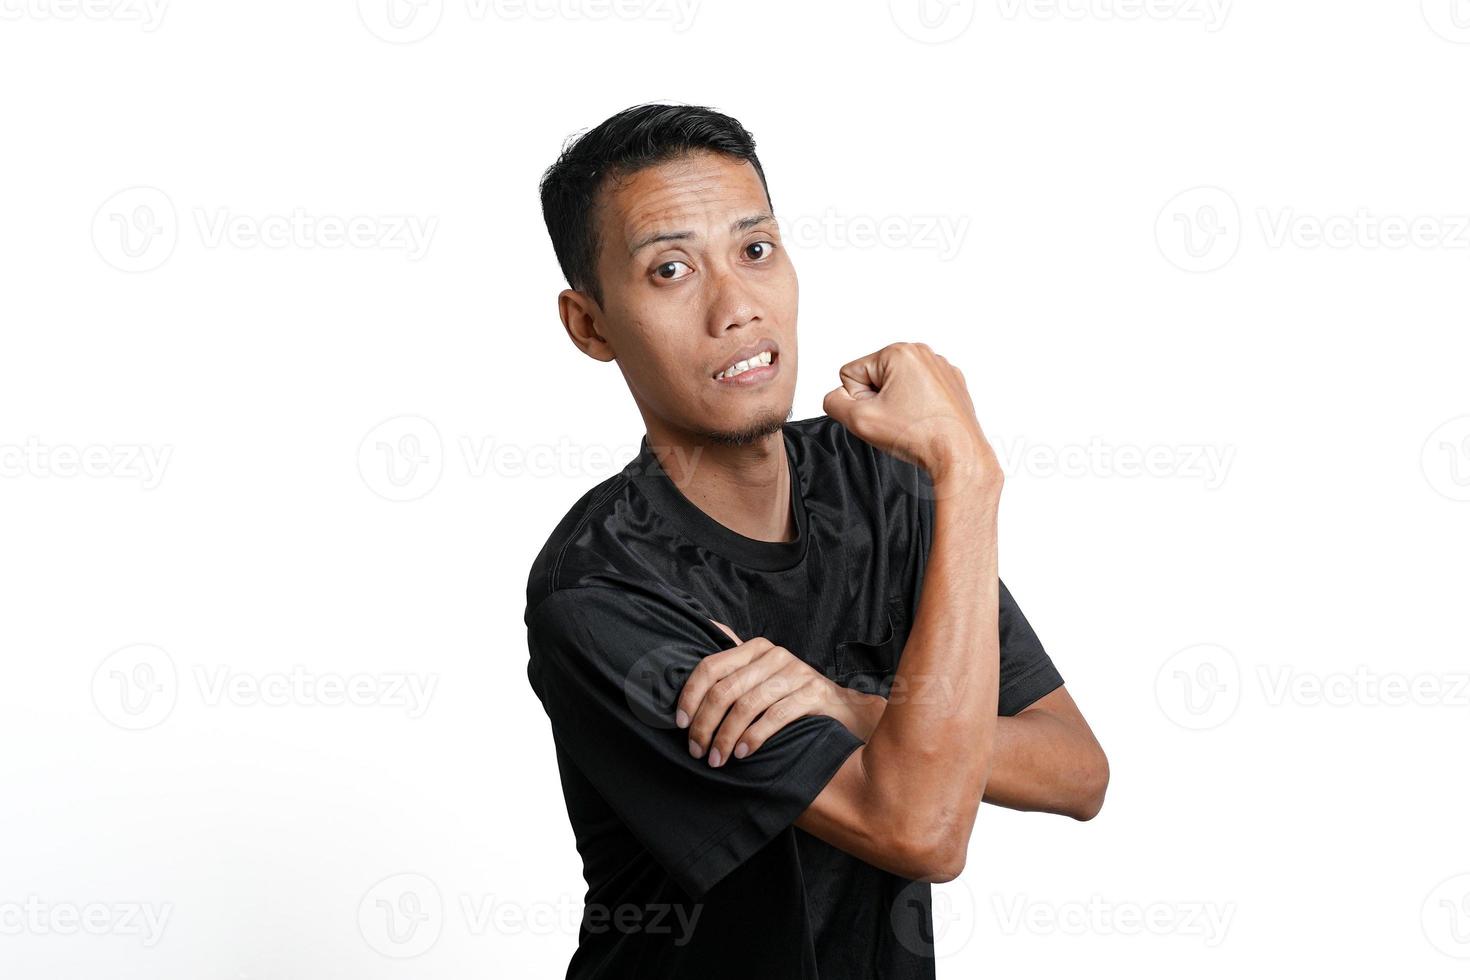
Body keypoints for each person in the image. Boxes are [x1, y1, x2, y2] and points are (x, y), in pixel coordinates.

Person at [525, 102, 1109, 979]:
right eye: (672, 269)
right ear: (592, 325)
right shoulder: (603, 589)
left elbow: (1076, 772)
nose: (736, 308)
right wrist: (972, 478)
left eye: (756, 251)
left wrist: (849, 704)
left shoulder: (877, 479)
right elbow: (920, 827)